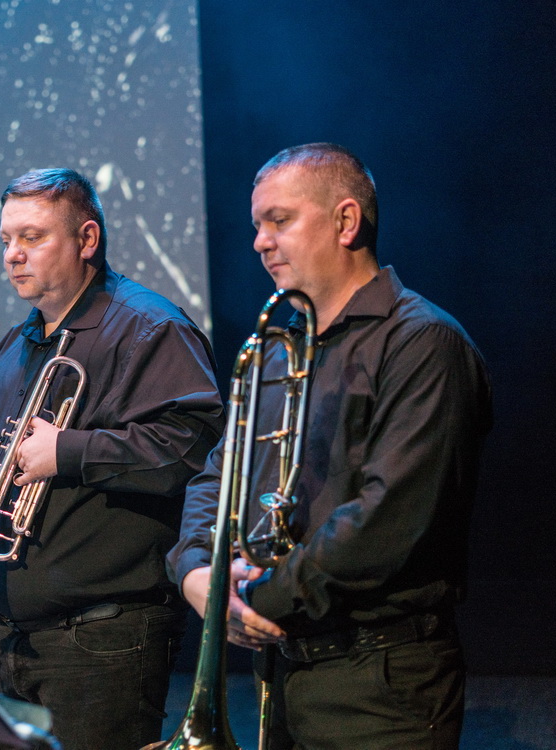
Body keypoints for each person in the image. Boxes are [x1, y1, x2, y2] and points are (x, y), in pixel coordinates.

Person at [169, 143, 492, 749]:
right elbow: (218, 476)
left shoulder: (423, 342)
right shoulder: (275, 351)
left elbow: (388, 520)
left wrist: (252, 595)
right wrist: (196, 571)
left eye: (279, 220)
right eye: (257, 225)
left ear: (346, 222)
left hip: (380, 681)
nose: (260, 242)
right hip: (285, 667)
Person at [0, 168, 224, 750]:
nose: (13, 254)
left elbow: (193, 449)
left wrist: (67, 451)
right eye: (6, 240)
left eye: (32, 237)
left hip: (100, 642)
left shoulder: (150, 327)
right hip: (8, 639)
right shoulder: (13, 346)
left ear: (87, 239)